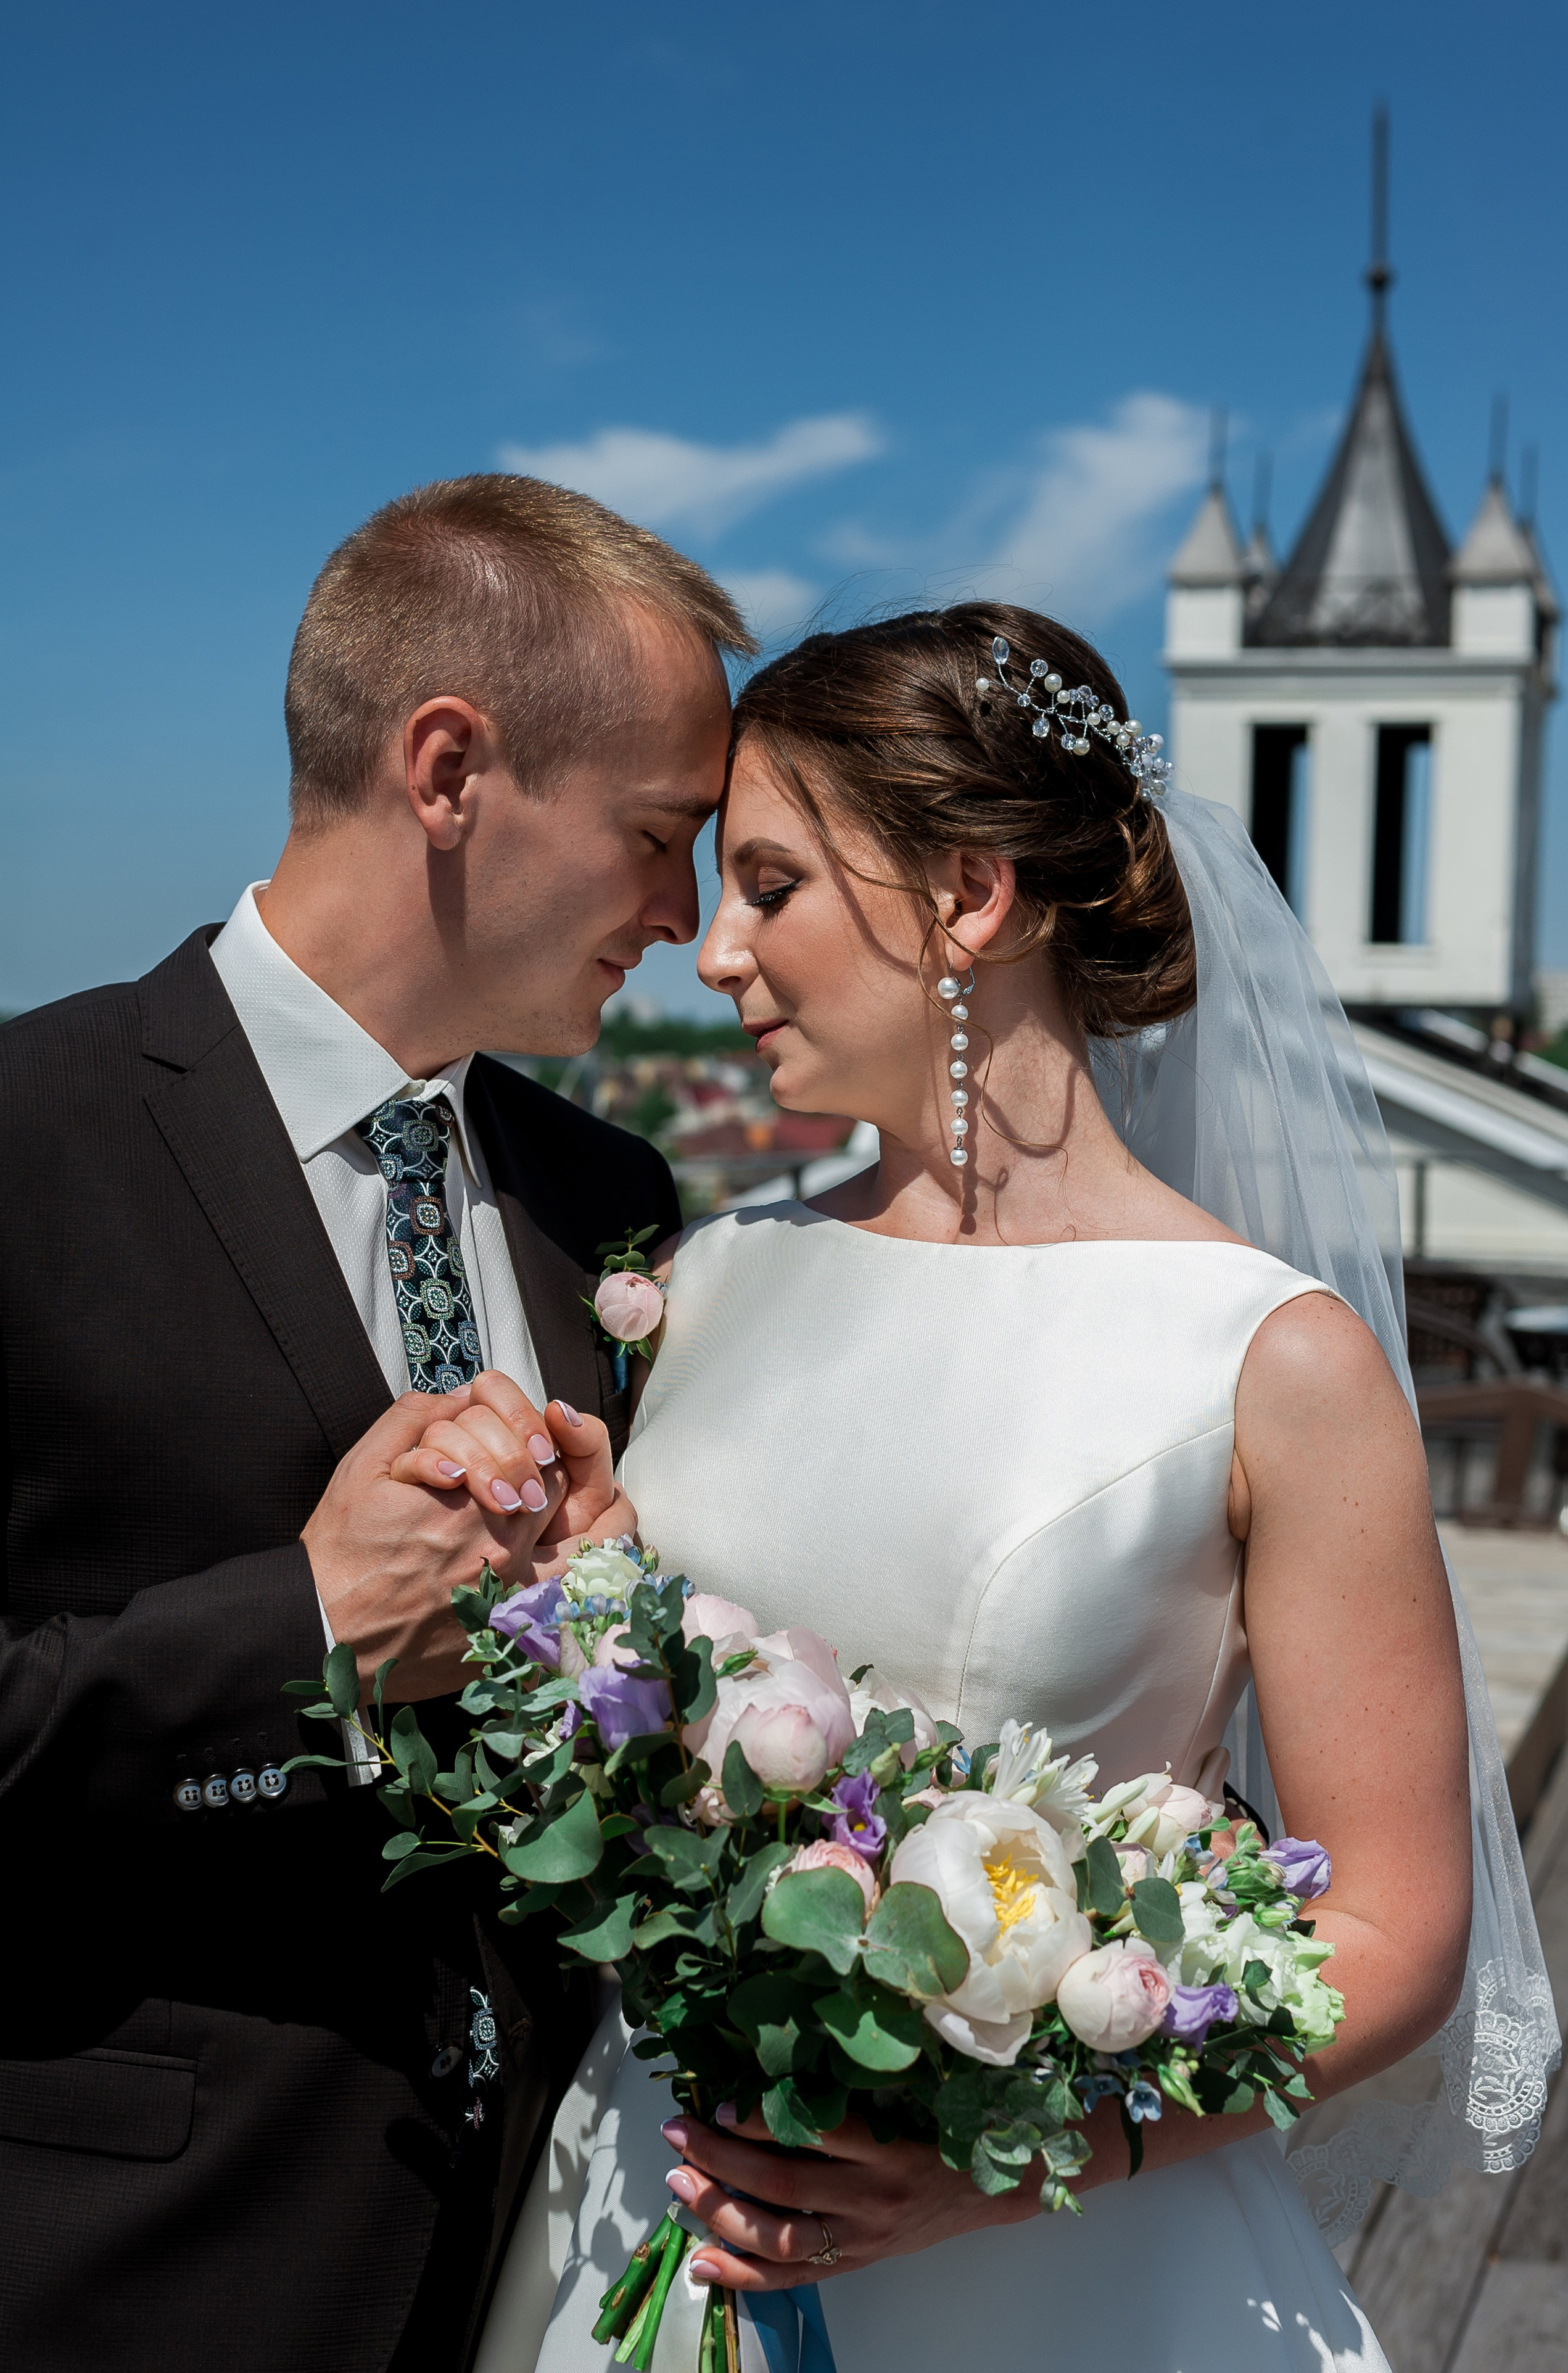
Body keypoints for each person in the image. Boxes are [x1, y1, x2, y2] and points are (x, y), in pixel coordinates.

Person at [501, 602, 1551, 2373]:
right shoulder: (714, 1279)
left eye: (773, 886)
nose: (716, 954)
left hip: (1061, 2267)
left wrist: (987, 2168)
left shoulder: (1267, 1359)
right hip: (650, 2204)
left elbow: (1395, 1923)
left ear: (969, 898)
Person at [0, 473, 754, 2373]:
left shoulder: (609, 1195)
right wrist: (304, 1633)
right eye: (661, 837)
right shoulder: (18, 1143)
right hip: (127, 2269)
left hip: (549, 2262)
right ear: (446, 770)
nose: (688, 916)